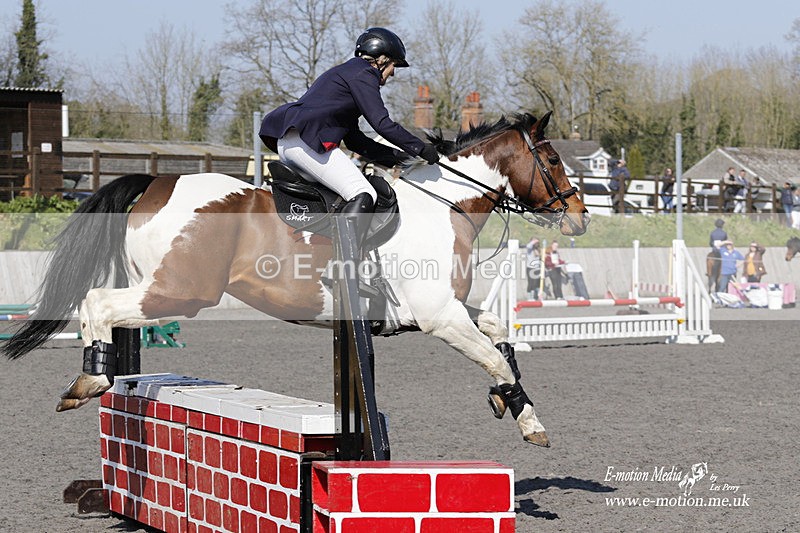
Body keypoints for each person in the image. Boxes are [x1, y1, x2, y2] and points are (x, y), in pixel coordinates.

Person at [259, 27, 439, 249]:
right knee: (363, 193)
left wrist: (399, 158)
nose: (392, 73)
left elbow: (355, 141)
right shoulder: (364, 74)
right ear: (382, 60)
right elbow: (382, 123)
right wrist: (421, 148)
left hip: (290, 141)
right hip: (306, 144)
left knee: (340, 196)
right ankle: (346, 269)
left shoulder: (348, 74)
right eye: (393, 65)